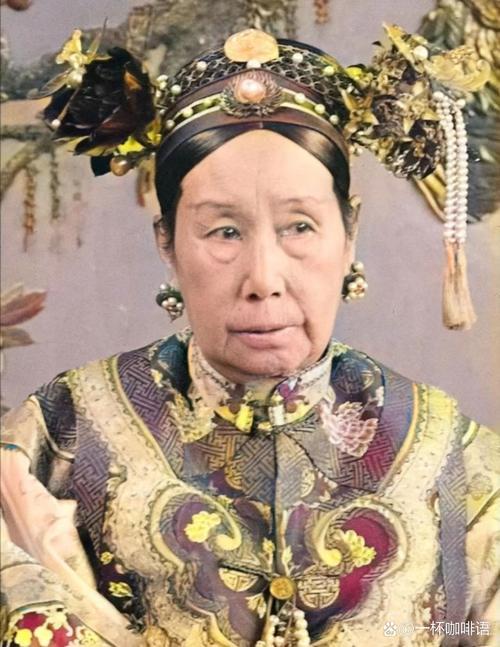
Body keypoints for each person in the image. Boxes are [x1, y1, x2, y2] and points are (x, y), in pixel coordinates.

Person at [1, 25, 498, 647]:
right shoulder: (60, 436)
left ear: (350, 234)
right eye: (225, 232)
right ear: (167, 244)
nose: (263, 279)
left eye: (299, 226)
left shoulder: (458, 463)